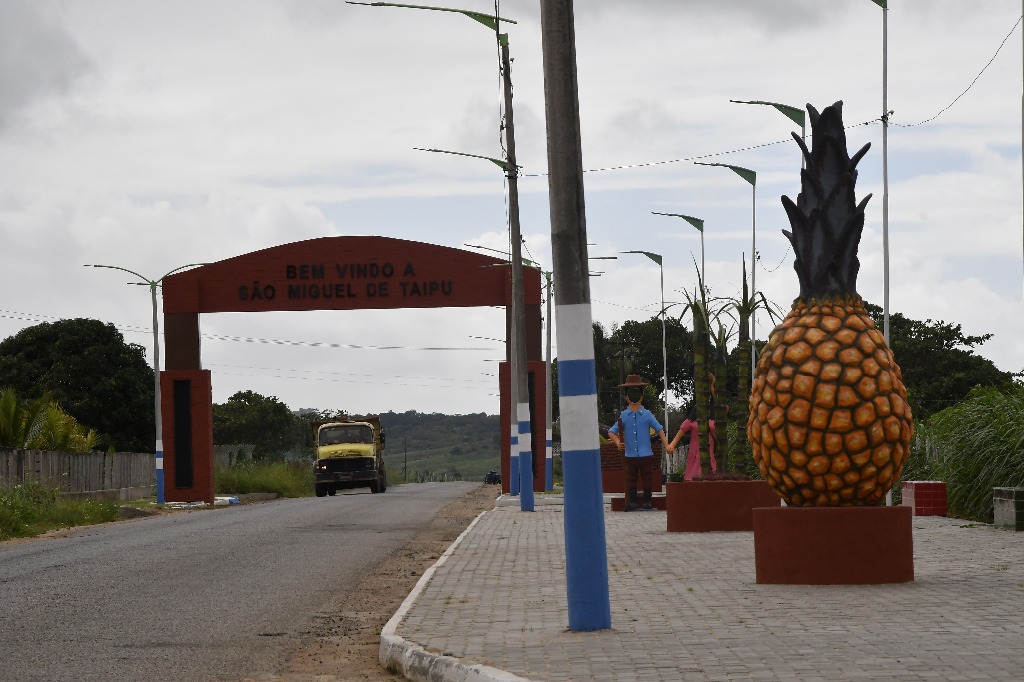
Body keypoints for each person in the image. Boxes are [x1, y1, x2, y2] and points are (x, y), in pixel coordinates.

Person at [607, 374, 674, 511]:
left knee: (647, 477)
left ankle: (648, 501)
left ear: (642, 394)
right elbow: (611, 432)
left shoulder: (648, 415)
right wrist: (617, 442)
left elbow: (659, 429)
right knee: (631, 478)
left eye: (637, 391)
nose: (634, 395)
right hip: (630, 454)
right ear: (626, 395)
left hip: (645, 453)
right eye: (630, 392)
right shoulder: (624, 416)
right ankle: (632, 502)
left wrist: (667, 444)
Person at [669, 404, 718, 480]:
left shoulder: (716, 415)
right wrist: (672, 445)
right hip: (695, 452)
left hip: (711, 453)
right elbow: (681, 432)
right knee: (694, 476)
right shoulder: (692, 420)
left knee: (712, 474)